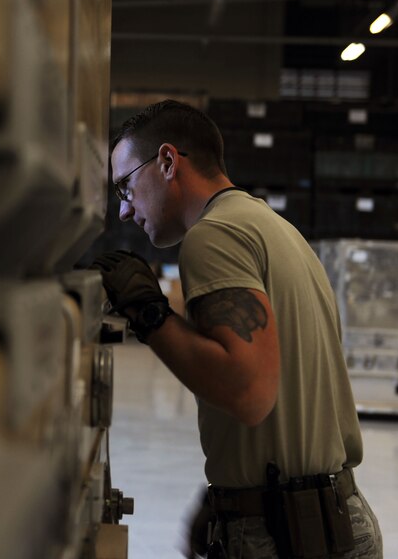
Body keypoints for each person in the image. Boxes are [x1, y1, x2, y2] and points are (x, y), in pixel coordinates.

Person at [92, 100, 382, 558]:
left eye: (126, 186)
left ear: (167, 161)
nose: (124, 211)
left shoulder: (214, 235)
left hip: (286, 535)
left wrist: (149, 314)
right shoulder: (276, 230)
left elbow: (249, 393)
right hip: (336, 519)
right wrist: (233, 493)